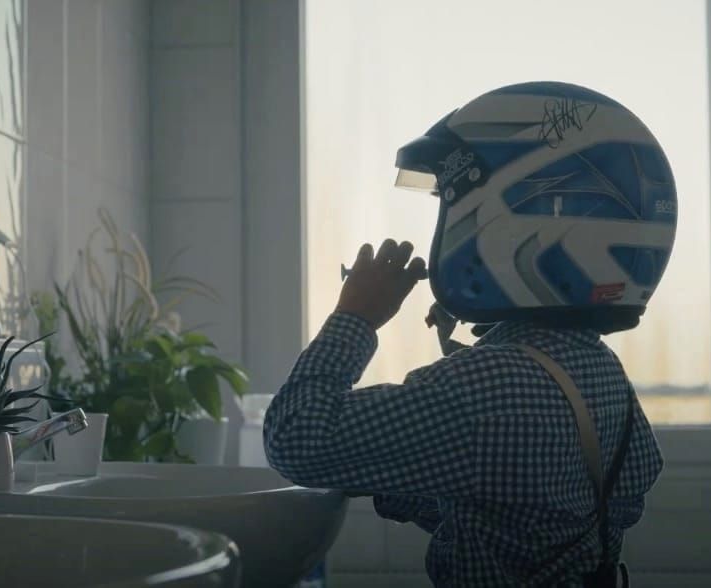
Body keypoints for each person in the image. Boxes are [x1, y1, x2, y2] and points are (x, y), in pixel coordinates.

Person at [264, 82, 676, 587]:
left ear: (511, 225)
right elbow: (532, 510)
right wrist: (401, 465)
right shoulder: (600, 369)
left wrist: (356, 315)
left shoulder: (490, 384)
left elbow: (295, 440)